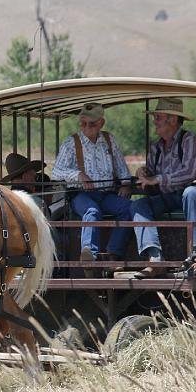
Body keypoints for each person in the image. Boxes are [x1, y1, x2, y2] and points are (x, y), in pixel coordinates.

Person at [131, 98, 196, 278]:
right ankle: (155, 260)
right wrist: (142, 173)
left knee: (190, 193)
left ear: (173, 120)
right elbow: (151, 176)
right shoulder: (156, 148)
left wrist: (157, 179)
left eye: (158, 117)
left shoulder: (190, 140)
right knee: (138, 206)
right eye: (154, 117)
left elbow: (189, 174)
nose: (154, 121)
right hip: (171, 197)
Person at [52, 102, 132, 276]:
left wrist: (126, 184)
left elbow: (121, 168)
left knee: (129, 208)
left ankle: (113, 255)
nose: (86, 127)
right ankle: (89, 255)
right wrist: (78, 175)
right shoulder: (71, 143)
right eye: (83, 123)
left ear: (101, 123)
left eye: (91, 124)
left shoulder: (110, 141)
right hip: (81, 195)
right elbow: (56, 172)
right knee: (92, 211)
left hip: (107, 194)